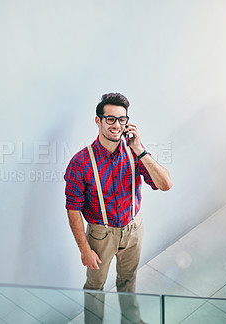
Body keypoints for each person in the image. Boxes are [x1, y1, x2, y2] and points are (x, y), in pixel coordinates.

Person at [64, 93, 172, 323]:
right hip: (101, 234)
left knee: (128, 279)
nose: (116, 125)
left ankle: (131, 320)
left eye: (121, 120)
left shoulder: (134, 153)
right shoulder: (81, 162)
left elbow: (165, 185)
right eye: (110, 119)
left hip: (134, 228)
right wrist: (85, 249)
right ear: (98, 120)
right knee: (95, 286)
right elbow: (72, 208)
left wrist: (140, 149)